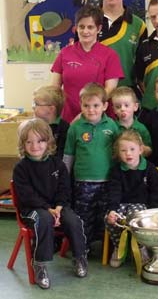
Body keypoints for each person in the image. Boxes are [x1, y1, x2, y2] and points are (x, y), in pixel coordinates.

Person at [13, 118, 87, 289]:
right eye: (29, 142)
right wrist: (48, 209)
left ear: (48, 142)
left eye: (40, 141)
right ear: (23, 144)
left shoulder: (57, 164)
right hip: (32, 209)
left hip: (57, 207)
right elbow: (27, 196)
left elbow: (64, 188)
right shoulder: (21, 168)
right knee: (44, 219)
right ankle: (40, 264)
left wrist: (59, 206)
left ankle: (79, 257)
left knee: (73, 220)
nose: (35, 146)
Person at [63, 83, 119, 246]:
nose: (91, 110)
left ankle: (104, 249)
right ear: (80, 105)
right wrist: (64, 179)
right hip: (83, 182)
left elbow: (117, 153)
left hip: (107, 181)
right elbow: (68, 155)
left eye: (96, 105)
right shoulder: (75, 128)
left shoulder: (111, 126)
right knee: (83, 218)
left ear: (105, 106)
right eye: (86, 105)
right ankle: (82, 249)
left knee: (104, 217)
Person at [51, 4, 124, 123]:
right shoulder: (64, 53)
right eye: (81, 27)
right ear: (76, 28)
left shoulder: (110, 55)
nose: (85, 31)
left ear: (99, 29)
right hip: (69, 119)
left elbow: (109, 89)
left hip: (98, 119)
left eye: (90, 27)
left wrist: (88, 111)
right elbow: (55, 88)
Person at [105, 130, 158, 268]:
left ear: (140, 150)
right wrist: (112, 210)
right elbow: (114, 192)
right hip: (121, 204)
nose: (128, 154)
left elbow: (156, 193)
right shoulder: (116, 170)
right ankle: (119, 247)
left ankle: (141, 248)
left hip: (142, 206)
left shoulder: (150, 169)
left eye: (132, 149)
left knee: (137, 217)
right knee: (111, 218)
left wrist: (152, 212)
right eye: (123, 150)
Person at [98, 0, 148, 96]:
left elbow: (142, 65)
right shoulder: (88, 22)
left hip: (126, 96)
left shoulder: (138, 25)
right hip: (95, 95)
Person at [110, 86, 152, 157]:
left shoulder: (141, 128)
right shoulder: (112, 127)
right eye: (118, 106)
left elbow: (149, 150)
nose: (122, 109)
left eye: (126, 105)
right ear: (114, 110)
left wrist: (143, 149)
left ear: (135, 107)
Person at [32, 85, 69, 160]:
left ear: (51, 109)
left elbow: (62, 154)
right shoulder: (35, 125)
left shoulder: (64, 128)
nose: (33, 107)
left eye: (36, 104)